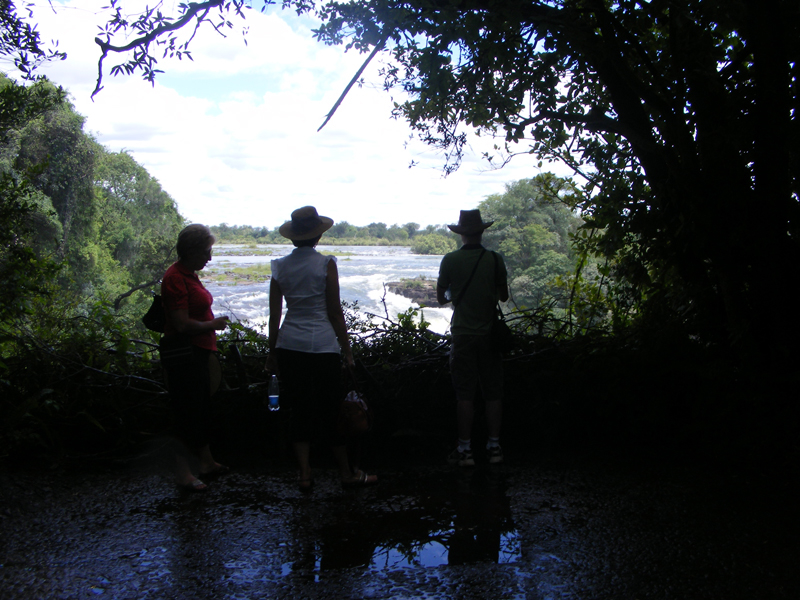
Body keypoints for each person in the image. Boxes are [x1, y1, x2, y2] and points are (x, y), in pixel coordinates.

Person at [265, 206, 377, 491]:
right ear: (317, 236)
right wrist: (348, 350)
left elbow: (274, 315)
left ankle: (304, 474)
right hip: (324, 347)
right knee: (330, 412)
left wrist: (272, 352)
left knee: (299, 410)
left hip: (289, 345)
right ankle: (346, 473)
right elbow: (335, 312)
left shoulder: (279, 266)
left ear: (293, 238)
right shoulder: (326, 263)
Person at [160, 224, 230, 491]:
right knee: (186, 411)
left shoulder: (187, 274)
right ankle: (182, 472)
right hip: (185, 355)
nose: (209, 258)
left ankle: (207, 462)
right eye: (206, 252)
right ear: (191, 251)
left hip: (198, 352)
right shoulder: (176, 278)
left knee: (198, 408)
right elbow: (180, 324)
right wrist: (212, 325)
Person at [437, 209, 509, 466]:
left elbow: (440, 297)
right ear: (481, 232)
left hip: (463, 335)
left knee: (464, 394)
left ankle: (465, 450)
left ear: (461, 234)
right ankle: (494, 448)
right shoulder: (494, 259)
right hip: (490, 334)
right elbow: (503, 297)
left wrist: (457, 295)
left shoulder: (449, 260)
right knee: (493, 393)